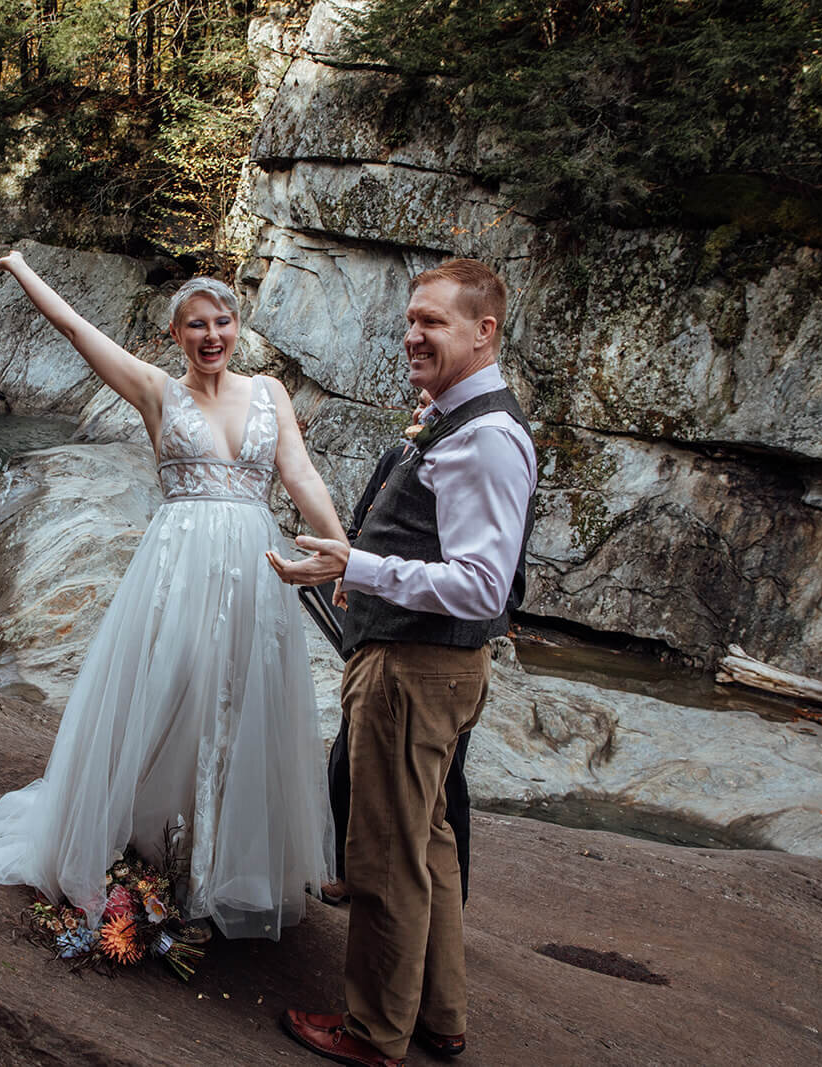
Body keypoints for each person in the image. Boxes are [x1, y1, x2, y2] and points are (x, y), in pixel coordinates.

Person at [0, 249, 344, 939]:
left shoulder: (269, 393)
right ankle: (156, 850)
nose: (211, 335)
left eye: (222, 321)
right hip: (178, 571)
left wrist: (339, 552)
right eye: (196, 325)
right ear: (175, 334)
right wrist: (17, 266)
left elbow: (300, 473)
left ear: (237, 325)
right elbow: (74, 328)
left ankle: (221, 868)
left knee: (243, 708)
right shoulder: (159, 391)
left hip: (256, 572)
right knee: (168, 701)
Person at [269, 258, 536, 1064]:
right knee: (431, 842)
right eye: (412, 317)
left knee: (386, 853)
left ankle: (373, 1032)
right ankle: (439, 1015)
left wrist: (357, 566)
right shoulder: (455, 416)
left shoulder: (487, 437)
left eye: (435, 321)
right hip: (424, 663)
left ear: (484, 331)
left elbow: (484, 584)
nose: (413, 333)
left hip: (417, 671)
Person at [320, 400, 474, 909]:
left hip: (436, 643)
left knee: (443, 783)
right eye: (421, 403)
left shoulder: (479, 459)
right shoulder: (399, 456)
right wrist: (348, 577)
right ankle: (344, 868)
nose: (423, 408)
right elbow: (364, 524)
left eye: (435, 404)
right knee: (347, 756)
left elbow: (487, 576)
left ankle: (450, 894)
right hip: (375, 631)